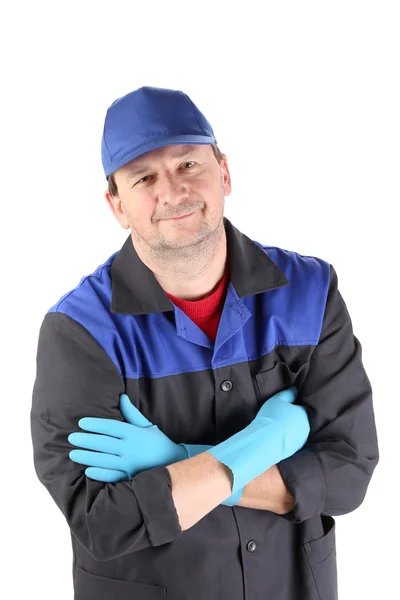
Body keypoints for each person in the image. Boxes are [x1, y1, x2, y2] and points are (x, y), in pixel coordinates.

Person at [30, 85, 379, 600]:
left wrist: (174, 461)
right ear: (117, 205)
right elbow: (102, 519)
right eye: (143, 177)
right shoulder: (80, 332)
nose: (172, 192)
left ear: (225, 173)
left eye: (188, 164)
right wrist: (263, 445)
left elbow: (347, 474)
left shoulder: (311, 292)